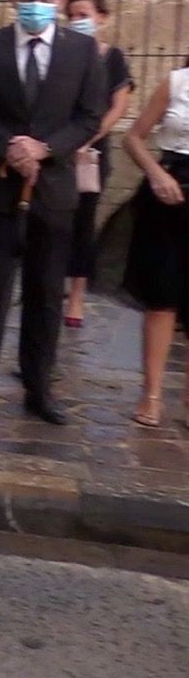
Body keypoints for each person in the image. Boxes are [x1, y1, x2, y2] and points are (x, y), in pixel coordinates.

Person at [0, 0, 106, 425]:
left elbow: (90, 116)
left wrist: (46, 148)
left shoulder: (81, 53)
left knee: (45, 291)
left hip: (52, 190)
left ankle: (39, 386)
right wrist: (9, 146)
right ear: (14, 0)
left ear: (59, 1)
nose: (36, 5)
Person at [120, 58, 189, 428]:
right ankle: (152, 393)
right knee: (162, 298)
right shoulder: (177, 82)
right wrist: (157, 172)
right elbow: (134, 138)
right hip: (170, 192)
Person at [63, 0, 133, 327]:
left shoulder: (112, 58)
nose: (78, 21)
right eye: (73, 15)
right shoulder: (62, 54)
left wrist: (90, 136)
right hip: (59, 148)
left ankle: (76, 293)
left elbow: (119, 106)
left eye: (84, 14)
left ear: (102, 17)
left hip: (91, 151)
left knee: (83, 221)